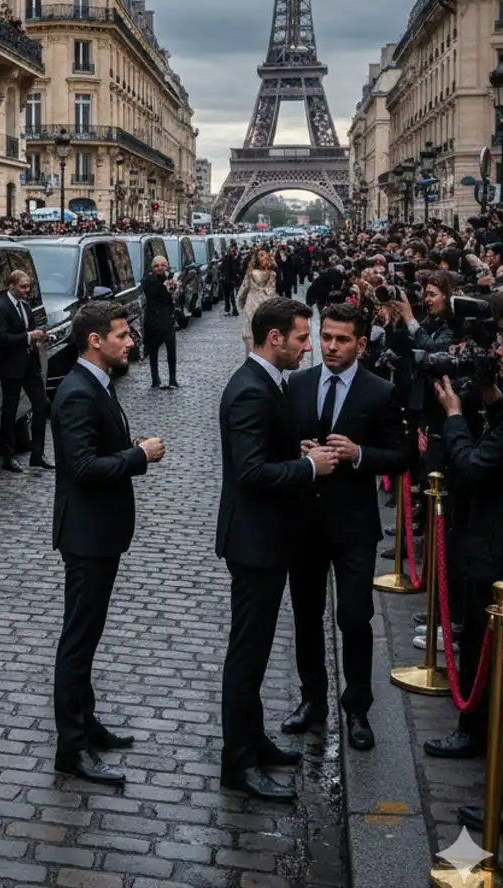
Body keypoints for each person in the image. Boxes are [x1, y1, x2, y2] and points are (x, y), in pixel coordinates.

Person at [216, 296, 340, 801]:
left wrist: (298, 451)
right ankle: (237, 763)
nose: (308, 349)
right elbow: (250, 473)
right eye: (302, 339)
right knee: (247, 656)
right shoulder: (249, 390)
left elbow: (268, 452)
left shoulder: (267, 382)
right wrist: (310, 468)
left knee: (260, 651)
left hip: (268, 538)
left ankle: (254, 739)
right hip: (255, 542)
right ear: (274, 339)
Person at [51, 301, 165, 786]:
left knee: (89, 637)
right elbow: (81, 468)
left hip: (101, 533)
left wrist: (124, 447)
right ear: (96, 341)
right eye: (122, 335)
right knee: (77, 642)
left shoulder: (97, 382)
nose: (131, 341)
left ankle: (87, 722)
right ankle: (70, 747)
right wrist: (137, 456)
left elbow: (98, 450)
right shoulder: (78, 392)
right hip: (87, 535)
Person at [284, 304, 405, 753]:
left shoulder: (379, 392)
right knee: (306, 616)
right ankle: (312, 699)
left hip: (353, 525)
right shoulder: (298, 383)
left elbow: (400, 455)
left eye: (341, 340)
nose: (331, 346)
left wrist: (358, 455)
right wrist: (297, 453)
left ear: (361, 344)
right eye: (326, 337)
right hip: (306, 523)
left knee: (354, 616)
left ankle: (357, 707)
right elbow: (279, 446)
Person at [423, 342, 503, 835]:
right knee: (477, 651)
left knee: (494, 664)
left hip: (498, 558)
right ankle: (474, 733)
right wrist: (492, 394)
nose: (499, 351)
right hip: (489, 552)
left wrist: (455, 416)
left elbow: (476, 464)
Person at [0, 269, 51, 473]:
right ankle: (8, 456)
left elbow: (29, 332)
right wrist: (28, 337)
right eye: (23, 287)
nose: (27, 290)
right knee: (10, 410)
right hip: (11, 366)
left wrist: (38, 338)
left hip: (29, 364)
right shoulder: (1, 307)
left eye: (28, 287)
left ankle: (37, 453)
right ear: (12, 286)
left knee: (41, 404)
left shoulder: (25, 306)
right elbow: (1, 338)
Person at [141, 254, 178, 389]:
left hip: (168, 320)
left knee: (171, 351)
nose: (160, 268)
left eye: (163, 265)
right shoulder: (148, 280)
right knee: (153, 351)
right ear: (152, 268)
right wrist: (166, 284)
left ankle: (173, 379)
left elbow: (172, 295)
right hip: (153, 321)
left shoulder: (169, 279)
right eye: (157, 266)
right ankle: (155, 379)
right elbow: (154, 292)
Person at [236, 250, 277, 356]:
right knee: (265, 334)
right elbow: (272, 291)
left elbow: (243, 290)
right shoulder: (272, 275)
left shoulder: (250, 274)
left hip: (252, 304)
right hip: (267, 306)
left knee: (250, 335)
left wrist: (241, 304)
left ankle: (252, 360)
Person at [219, 242, 241, 317]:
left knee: (227, 296)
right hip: (230, 280)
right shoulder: (233, 259)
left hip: (225, 280)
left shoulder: (224, 259)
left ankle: (227, 310)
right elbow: (235, 269)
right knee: (231, 296)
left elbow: (221, 268)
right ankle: (234, 310)